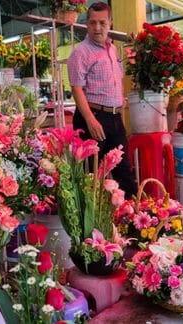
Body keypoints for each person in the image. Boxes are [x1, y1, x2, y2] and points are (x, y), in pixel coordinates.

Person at [67, 1, 137, 198]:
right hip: (93, 117)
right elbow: (76, 88)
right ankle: (94, 223)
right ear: (87, 24)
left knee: (124, 170)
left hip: (114, 118)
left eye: (102, 23)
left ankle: (130, 219)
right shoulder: (80, 53)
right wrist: (90, 120)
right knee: (93, 176)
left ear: (110, 23)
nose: (97, 28)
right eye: (92, 23)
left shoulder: (112, 49)